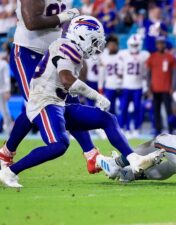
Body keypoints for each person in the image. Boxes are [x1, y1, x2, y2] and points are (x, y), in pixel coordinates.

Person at [0, 16, 164, 188]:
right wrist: (97, 96)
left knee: (107, 119)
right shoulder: (65, 46)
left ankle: (134, 158)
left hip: (59, 104)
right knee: (59, 145)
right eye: (94, 41)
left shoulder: (72, 49)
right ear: (82, 36)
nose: (96, 46)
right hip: (44, 103)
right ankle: (9, 172)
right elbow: (66, 79)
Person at [0, 0, 100, 174]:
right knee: (40, 103)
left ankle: (91, 154)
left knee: (67, 102)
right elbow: (31, 22)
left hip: (53, 52)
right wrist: (63, 16)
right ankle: (6, 153)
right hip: (27, 52)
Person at [118, 34, 150, 137]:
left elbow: (146, 73)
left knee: (137, 109)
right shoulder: (123, 54)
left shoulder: (144, 55)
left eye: (136, 45)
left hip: (138, 86)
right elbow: (120, 71)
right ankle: (123, 128)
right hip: (126, 86)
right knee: (123, 108)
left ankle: (136, 128)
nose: (134, 47)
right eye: (133, 45)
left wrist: (145, 85)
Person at [146, 36, 176, 135]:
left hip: (167, 89)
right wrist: (148, 87)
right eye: (159, 43)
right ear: (156, 45)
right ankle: (158, 130)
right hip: (155, 89)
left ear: (165, 44)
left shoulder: (170, 57)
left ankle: (171, 129)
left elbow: (175, 73)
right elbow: (148, 74)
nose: (160, 45)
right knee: (156, 111)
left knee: (169, 110)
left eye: (162, 43)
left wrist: (173, 86)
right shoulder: (152, 57)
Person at [99, 35, 122, 115]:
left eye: (113, 45)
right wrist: (100, 87)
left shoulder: (122, 55)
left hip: (121, 85)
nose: (112, 47)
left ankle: (123, 126)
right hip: (109, 85)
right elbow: (101, 74)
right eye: (110, 45)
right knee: (109, 108)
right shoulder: (104, 56)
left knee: (122, 107)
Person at [0, 55, 12, 133]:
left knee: (5, 111)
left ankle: (9, 130)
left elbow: (6, 78)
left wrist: (7, 91)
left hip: (2, 91)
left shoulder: (3, 64)